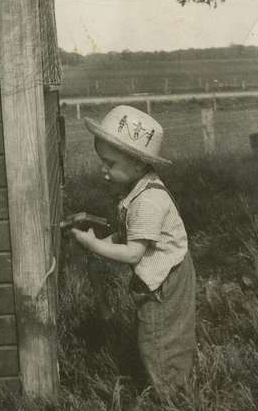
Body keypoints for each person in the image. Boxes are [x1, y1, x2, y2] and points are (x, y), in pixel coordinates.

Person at [71, 104, 196, 394]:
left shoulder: (148, 202)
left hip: (166, 280)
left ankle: (171, 398)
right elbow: (129, 233)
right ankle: (173, 383)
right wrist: (102, 242)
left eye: (110, 164)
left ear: (139, 164)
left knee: (159, 336)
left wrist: (93, 245)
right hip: (164, 273)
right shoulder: (138, 190)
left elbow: (132, 253)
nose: (103, 170)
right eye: (102, 161)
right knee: (161, 332)